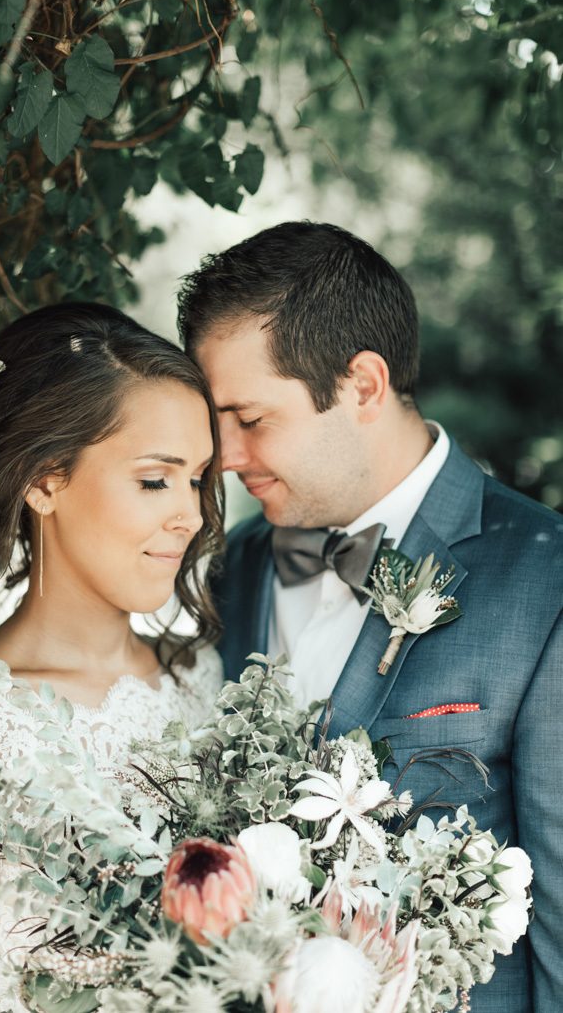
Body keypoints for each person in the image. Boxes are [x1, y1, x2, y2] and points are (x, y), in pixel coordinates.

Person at [177, 221, 563, 1013]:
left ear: (362, 386)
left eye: (249, 420)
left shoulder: (545, 578)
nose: (223, 458)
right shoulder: (237, 567)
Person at [0, 302, 225, 1011]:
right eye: (156, 478)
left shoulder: (204, 684)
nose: (192, 513)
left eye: (198, 477)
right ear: (44, 481)